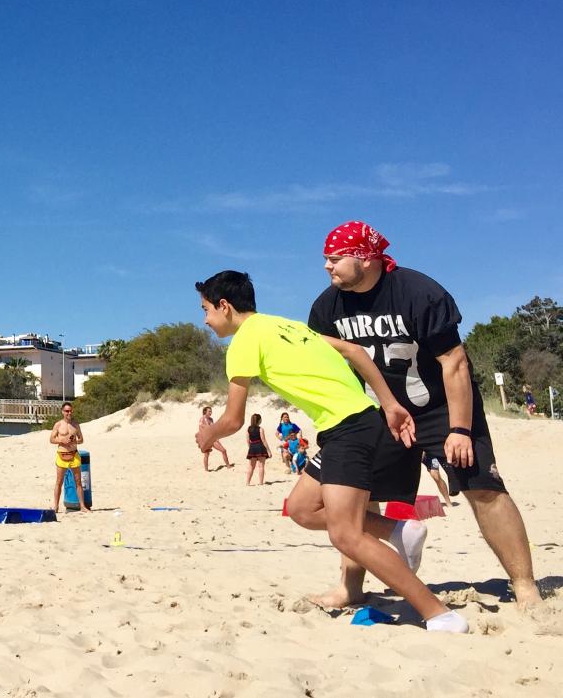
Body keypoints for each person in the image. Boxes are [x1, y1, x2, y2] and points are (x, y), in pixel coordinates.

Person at [195, 270, 467, 632]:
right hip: (358, 422)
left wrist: (208, 436)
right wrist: (388, 403)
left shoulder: (244, 341)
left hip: (349, 431)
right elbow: (353, 350)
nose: (205, 320)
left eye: (206, 310)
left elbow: (232, 419)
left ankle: (438, 614)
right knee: (303, 508)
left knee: (345, 535)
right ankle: (399, 531)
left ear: (224, 306)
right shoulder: (287, 326)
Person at [308, 221, 541, 607]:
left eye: (335, 258)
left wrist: (460, 429)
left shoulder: (418, 293)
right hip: (379, 411)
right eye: (326, 259)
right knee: (357, 496)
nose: (327, 267)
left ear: (364, 258)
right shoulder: (326, 307)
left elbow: (454, 363)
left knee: (483, 486)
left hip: (439, 407)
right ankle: (350, 588)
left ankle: (526, 585)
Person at [49, 402, 91, 513]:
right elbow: (51, 439)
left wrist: (75, 441)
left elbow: (81, 439)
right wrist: (61, 440)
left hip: (74, 455)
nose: (69, 413)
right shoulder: (58, 425)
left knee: (78, 482)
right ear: (63, 412)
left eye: (70, 410)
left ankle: (82, 506)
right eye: (67, 411)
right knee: (59, 481)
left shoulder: (76, 425)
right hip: (62, 455)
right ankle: (56, 507)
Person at [196, 404, 232, 471]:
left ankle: (228, 466)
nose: (210, 412)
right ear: (205, 412)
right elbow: (201, 428)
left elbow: (213, 429)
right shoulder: (202, 419)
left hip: (213, 439)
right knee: (207, 454)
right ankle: (206, 470)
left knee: (223, 450)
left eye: (211, 411)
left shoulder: (211, 419)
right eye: (209, 411)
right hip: (206, 439)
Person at [244, 413, 271, 485]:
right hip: (260, 447)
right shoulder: (260, 429)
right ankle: (261, 482)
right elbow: (263, 440)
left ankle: (247, 482)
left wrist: (251, 448)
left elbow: (247, 440)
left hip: (252, 447)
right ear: (259, 420)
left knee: (251, 466)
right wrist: (268, 451)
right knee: (261, 466)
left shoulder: (248, 429)